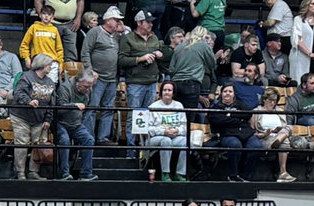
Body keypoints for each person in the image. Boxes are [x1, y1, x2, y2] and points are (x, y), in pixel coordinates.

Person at [120, 11, 164, 157]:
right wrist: (140, 58)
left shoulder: (154, 37)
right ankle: (131, 152)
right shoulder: (128, 38)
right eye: (148, 22)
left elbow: (159, 53)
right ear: (139, 23)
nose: (151, 24)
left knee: (148, 117)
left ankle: (145, 151)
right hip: (135, 83)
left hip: (152, 82)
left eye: (152, 22)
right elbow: (122, 60)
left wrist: (158, 54)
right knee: (135, 117)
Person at [81, 6, 123, 145]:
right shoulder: (95, 32)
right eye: (116, 20)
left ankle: (103, 138)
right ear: (108, 20)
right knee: (92, 107)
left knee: (108, 109)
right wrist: (90, 70)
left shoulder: (117, 35)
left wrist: (121, 27)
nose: (118, 22)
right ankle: (88, 138)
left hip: (112, 78)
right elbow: (85, 52)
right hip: (96, 78)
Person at [211, 83, 262, 182]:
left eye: (230, 91)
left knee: (256, 146)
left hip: (245, 133)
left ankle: (245, 176)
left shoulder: (240, 104)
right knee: (235, 145)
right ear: (221, 93)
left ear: (234, 94)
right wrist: (238, 119)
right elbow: (216, 120)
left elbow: (248, 114)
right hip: (227, 134)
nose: (227, 94)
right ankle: (233, 175)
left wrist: (228, 116)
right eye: (225, 91)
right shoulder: (216, 106)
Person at [54, 68, 98, 181]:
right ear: (78, 82)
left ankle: (86, 173)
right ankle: (64, 173)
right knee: (65, 141)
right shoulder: (65, 87)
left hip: (76, 123)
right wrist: (74, 105)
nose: (87, 89)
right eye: (85, 86)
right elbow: (59, 109)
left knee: (89, 140)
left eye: (90, 86)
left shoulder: (88, 90)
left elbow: (87, 108)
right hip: (61, 123)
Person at [170, 26, 217, 120]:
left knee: (176, 116)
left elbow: (171, 69)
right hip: (192, 84)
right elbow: (212, 64)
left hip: (176, 84)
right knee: (189, 117)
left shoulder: (179, 46)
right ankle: (187, 134)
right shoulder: (203, 46)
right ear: (203, 36)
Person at [253, 88, 298, 182]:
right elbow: (252, 133)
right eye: (270, 100)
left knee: (287, 129)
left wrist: (278, 130)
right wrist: (264, 134)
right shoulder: (256, 112)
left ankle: (277, 141)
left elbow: (286, 127)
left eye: (275, 101)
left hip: (279, 135)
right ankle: (283, 173)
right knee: (285, 141)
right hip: (265, 138)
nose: (272, 103)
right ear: (264, 99)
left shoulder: (280, 111)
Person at [147, 81, 189, 182]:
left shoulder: (179, 106)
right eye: (164, 90)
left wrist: (177, 130)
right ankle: (165, 173)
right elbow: (148, 129)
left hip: (174, 136)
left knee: (185, 141)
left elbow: (184, 126)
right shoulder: (153, 106)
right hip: (155, 139)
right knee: (166, 141)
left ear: (173, 93)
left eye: (169, 90)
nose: (167, 92)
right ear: (161, 92)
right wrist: (163, 131)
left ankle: (180, 173)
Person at [21, 5, 65, 69]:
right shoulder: (33, 27)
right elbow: (24, 45)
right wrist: (27, 58)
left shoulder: (54, 30)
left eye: (49, 14)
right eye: (44, 13)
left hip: (52, 61)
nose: (46, 16)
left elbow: (59, 49)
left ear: (52, 17)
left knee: (51, 79)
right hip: (37, 60)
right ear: (40, 15)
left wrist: (61, 63)